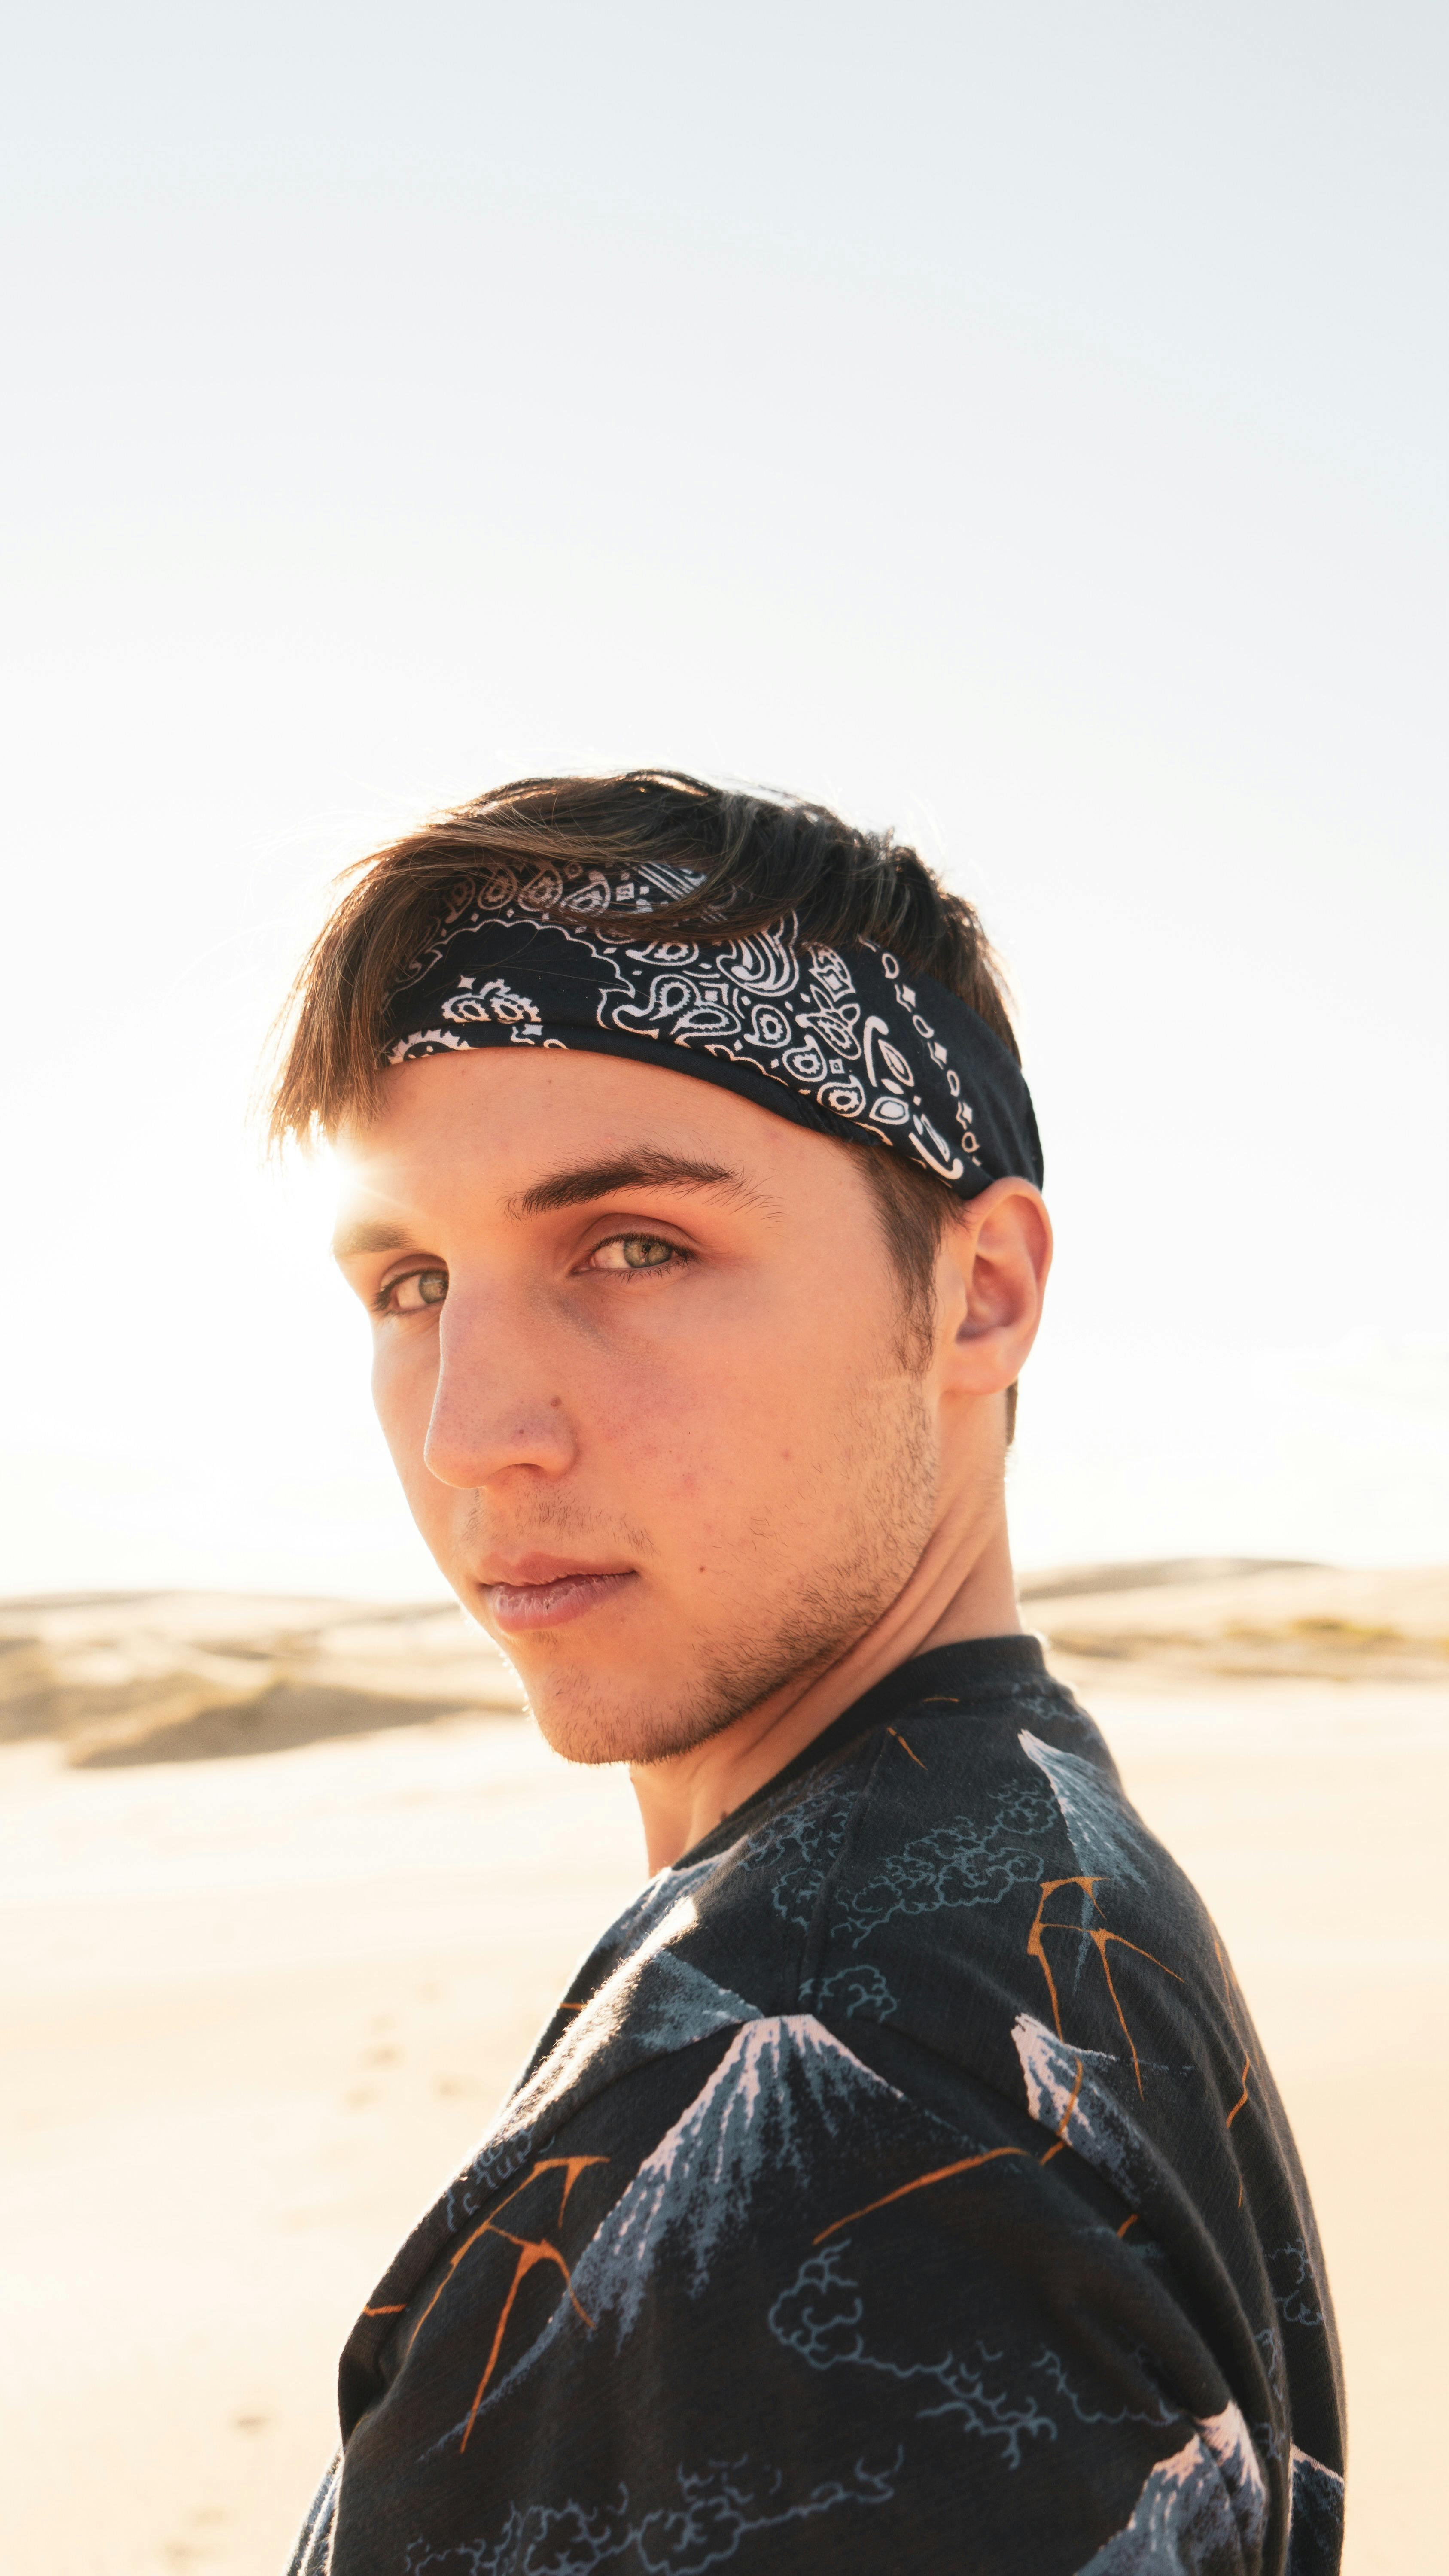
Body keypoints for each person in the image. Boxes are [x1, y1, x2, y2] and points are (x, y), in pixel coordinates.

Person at [272, 772, 1343, 2575]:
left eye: (633, 1246)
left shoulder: (810, 2109)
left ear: (978, 1293)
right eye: (411, 1283)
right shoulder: (1030, 1853)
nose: (472, 1433)